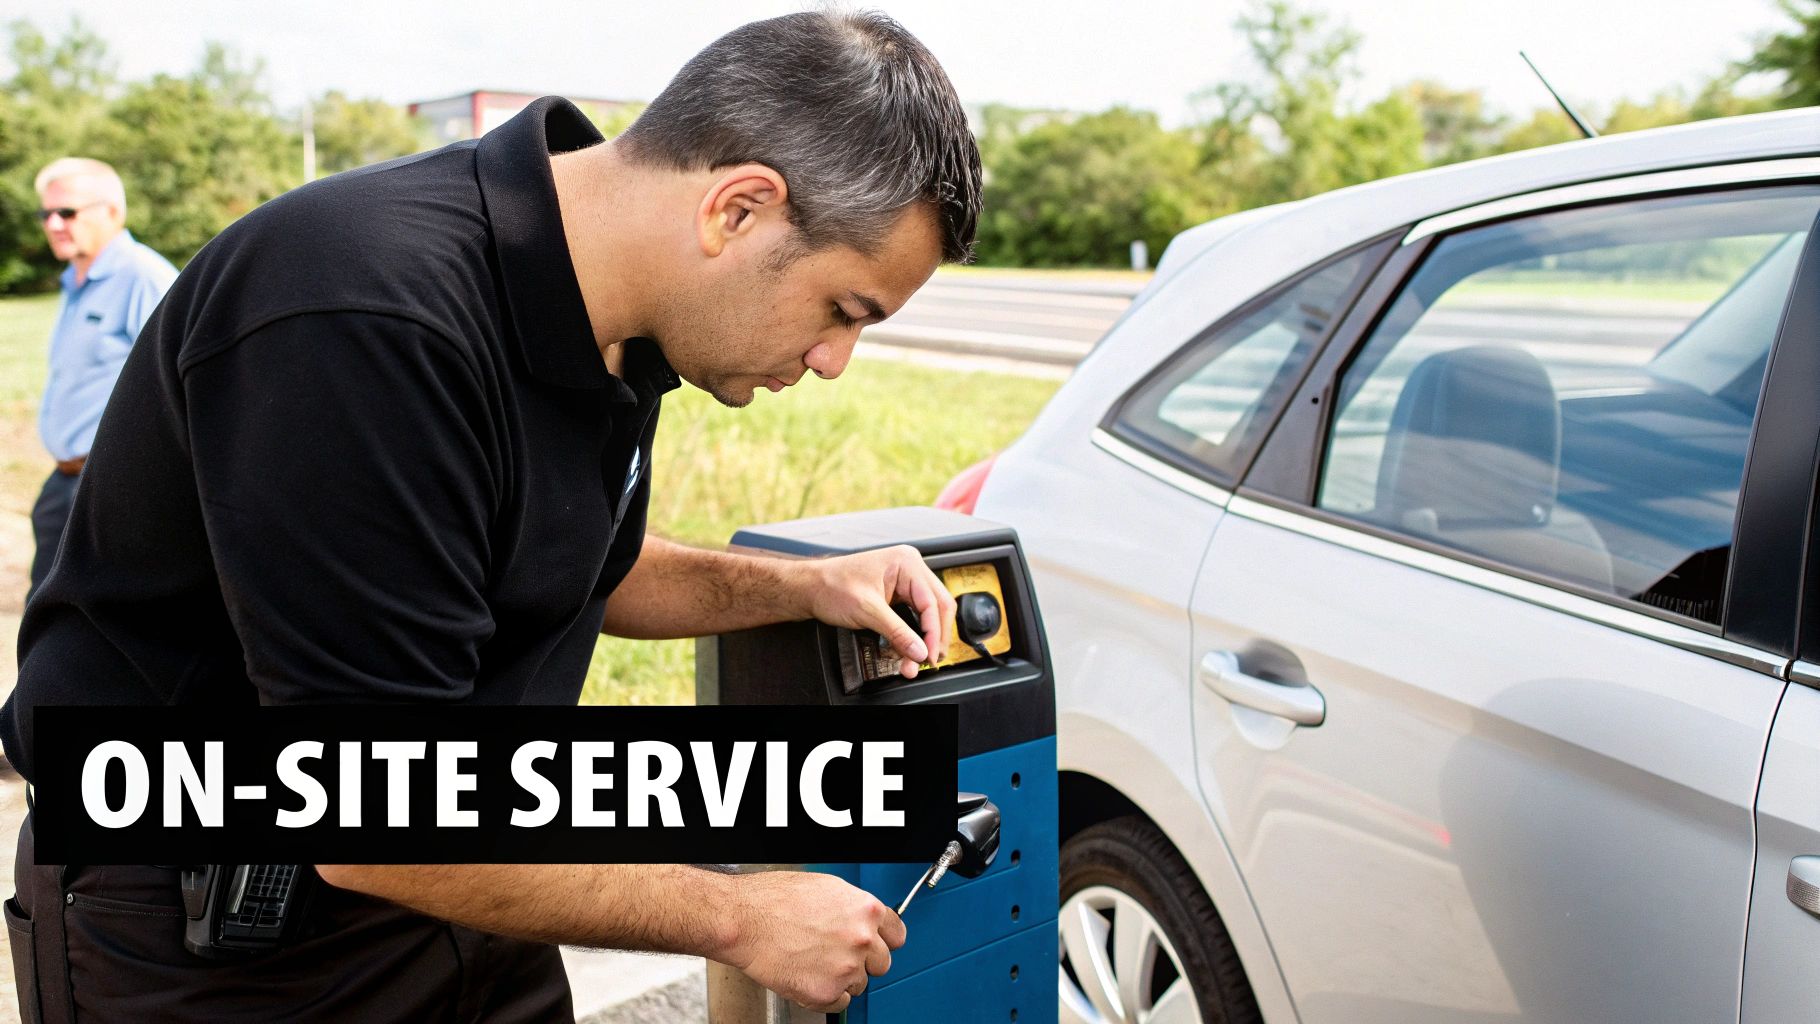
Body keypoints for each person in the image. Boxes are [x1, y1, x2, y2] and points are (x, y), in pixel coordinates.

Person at [0, 10, 981, 1023]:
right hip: (219, 939)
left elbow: (546, 561)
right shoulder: (364, 318)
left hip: (476, 877)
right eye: (843, 310)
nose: (832, 361)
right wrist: (734, 914)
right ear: (736, 210)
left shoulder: (620, 324)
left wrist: (802, 584)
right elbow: (371, 819)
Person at [26, 157, 177, 598]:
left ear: (112, 211)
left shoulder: (143, 278)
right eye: (45, 214)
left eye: (68, 212)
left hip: (109, 489)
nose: (53, 224)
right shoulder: (76, 280)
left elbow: (178, 388)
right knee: (47, 621)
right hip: (65, 483)